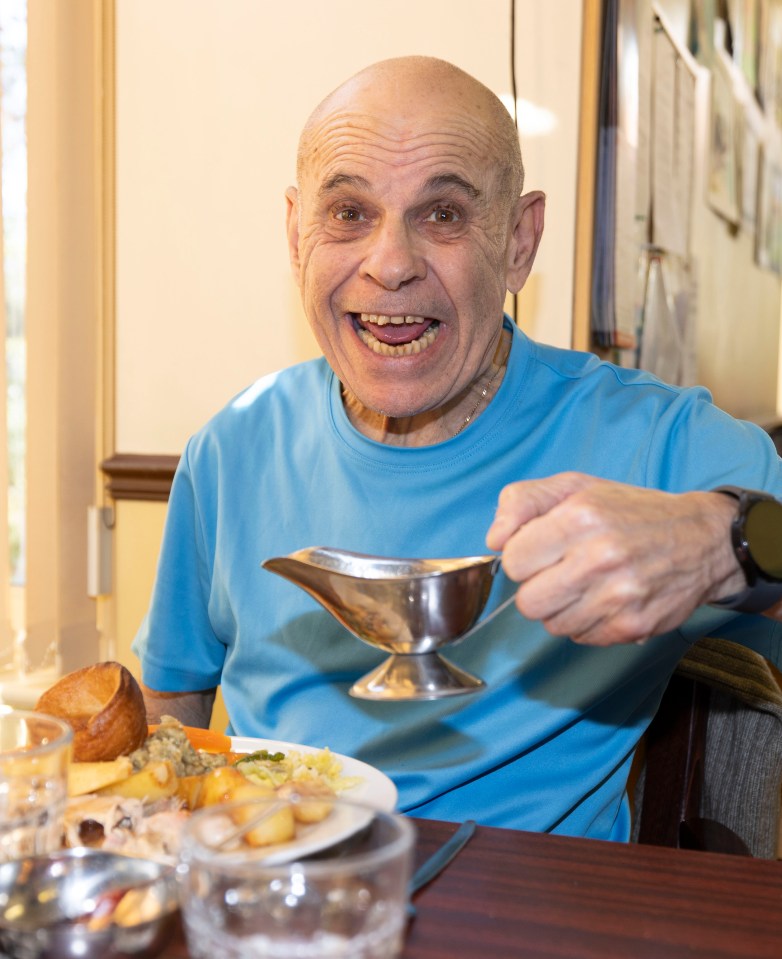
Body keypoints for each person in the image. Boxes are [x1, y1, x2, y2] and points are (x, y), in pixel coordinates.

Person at [133, 56, 782, 841]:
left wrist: (722, 540)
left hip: (524, 910)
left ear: (518, 241)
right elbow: (173, 706)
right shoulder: (231, 449)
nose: (392, 263)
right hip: (279, 899)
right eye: (347, 212)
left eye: (442, 213)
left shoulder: (649, 439)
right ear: (295, 234)